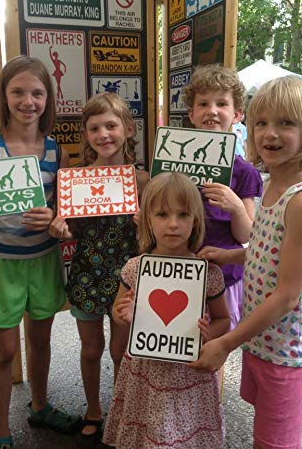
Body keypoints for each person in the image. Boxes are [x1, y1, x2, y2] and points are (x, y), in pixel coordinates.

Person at [192, 76, 302, 449]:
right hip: (263, 340)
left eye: (286, 123)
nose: (270, 133)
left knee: (275, 442)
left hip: (288, 349)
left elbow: (288, 294)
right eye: (261, 123)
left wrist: (226, 343)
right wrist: (232, 255)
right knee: (265, 428)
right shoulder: (274, 185)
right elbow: (269, 247)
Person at [0, 56, 80, 449]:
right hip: (4, 263)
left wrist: (56, 218)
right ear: (4, 96)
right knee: (5, 350)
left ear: (48, 98)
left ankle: (40, 405)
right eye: (18, 92)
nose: (28, 101)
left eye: (37, 92)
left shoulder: (55, 151)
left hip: (44, 260)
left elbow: (64, 210)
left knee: (42, 340)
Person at [102, 172, 231, 448]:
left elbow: (223, 319)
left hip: (190, 374)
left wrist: (211, 334)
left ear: (195, 219)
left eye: (183, 215)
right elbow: (117, 312)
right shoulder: (135, 268)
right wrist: (124, 315)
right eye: (162, 214)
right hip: (145, 375)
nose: (173, 224)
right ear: (147, 218)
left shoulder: (208, 273)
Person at [49, 92, 149, 443]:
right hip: (87, 276)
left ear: (128, 128)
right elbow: (71, 230)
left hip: (127, 280)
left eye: (111, 125)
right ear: (86, 134)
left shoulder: (141, 180)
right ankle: (94, 409)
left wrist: (143, 224)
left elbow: (153, 238)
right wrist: (61, 227)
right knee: (91, 349)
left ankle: (122, 410)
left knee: (121, 352)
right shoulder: (74, 179)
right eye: (95, 128)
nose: (103, 134)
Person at [182, 64, 263, 329]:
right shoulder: (174, 164)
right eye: (203, 104)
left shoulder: (244, 171)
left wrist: (237, 208)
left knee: (215, 347)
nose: (212, 111)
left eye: (222, 104)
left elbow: (246, 236)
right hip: (180, 272)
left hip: (224, 277)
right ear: (191, 114)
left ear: (237, 114)